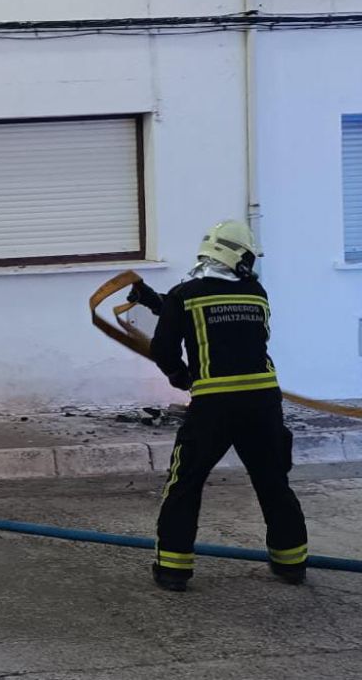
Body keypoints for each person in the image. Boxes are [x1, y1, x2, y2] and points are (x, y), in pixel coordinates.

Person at [129, 220, 307, 593]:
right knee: (272, 480)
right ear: (238, 257)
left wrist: (180, 376)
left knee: (186, 482)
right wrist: (154, 300)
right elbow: (215, 316)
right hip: (263, 402)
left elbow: (167, 343)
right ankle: (291, 563)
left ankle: (173, 570)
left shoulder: (185, 294)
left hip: (215, 406)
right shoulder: (256, 293)